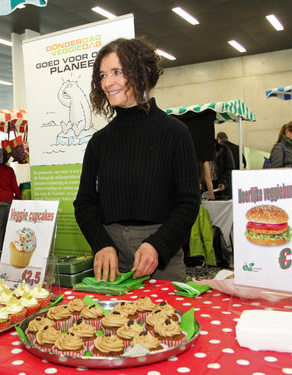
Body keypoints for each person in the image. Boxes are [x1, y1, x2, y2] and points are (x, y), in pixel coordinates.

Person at [73, 37, 200, 283]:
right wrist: (101, 244)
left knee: (167, 320)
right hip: (111, 259)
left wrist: (157, 245)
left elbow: (188, 202)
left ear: (144, 72)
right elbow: (84, 204)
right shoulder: (99, 141)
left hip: (161, 258)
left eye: (117, 72)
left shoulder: (175, 132)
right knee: (109, 321)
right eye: (102, 76)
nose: (108, 83)